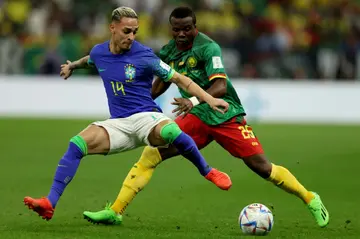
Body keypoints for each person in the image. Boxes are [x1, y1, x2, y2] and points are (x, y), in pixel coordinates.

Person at [83, 6, 330, 228]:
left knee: (262, 167)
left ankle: (310, 198)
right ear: (172, 29)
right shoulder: (169, 50)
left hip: (225, 113)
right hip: (197, 117)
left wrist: (191, 100)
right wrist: (142, 104)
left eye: (187, 29)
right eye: (177, 29)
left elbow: (220, 87)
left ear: (195, 28)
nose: (181, 34)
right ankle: (115, 211)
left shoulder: (208, 48)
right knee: (151, 154)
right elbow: (162, 81)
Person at [23, 6, 232, 221]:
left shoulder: (144, 56)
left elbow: (180, 79)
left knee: (170, 131)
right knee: (77, 143)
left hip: (146, 118)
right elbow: (90, 59)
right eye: (126, 31)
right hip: (119, 124)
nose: (131, 37)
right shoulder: (99, 52)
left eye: (135, 31)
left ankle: (208, 171)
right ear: (112, 28)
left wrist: (209, 99)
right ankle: (50, 203)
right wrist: (72, 66)